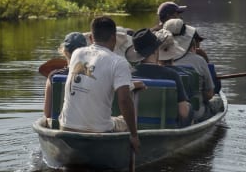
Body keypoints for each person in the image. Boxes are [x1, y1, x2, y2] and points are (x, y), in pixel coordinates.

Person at [59, 16, 144, 154]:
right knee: (126, 119)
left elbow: (94, 77)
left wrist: (132, 85)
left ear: (91, 38)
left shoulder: (76, 54)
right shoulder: (119, 62)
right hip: (99, 131)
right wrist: (134, 135)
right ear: (114, 39)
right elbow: (124, 100)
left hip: (67, 127)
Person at [125, 28, 191, 125]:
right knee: (188, 107)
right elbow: (183, 113)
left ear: (138, 54)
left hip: (133, 125)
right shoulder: (172, 75)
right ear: (156, 51)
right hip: (166, 126)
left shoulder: (127, 74)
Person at [159, 19, 215, 121]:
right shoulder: (199, 60)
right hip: (193, 114)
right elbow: (210, 94)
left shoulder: (154, 61)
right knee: (217, 101)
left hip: (162, 113)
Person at [42, 31, 87, 118]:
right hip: (89, 125)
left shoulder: (53, 76)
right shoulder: (95, 75)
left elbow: (47, 114)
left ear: (64, 52)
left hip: (60, 125)